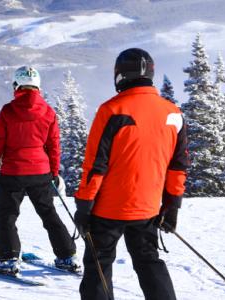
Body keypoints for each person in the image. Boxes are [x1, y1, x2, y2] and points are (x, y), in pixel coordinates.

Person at [73, 48, 189, 300]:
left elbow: (95, 166)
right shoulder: (172, 113)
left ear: (120, 75)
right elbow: (178, 166)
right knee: (149, 262)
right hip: (147, 208)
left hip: (107, 209)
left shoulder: (111, 110)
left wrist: (84, 206)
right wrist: (171, 206)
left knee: (99, 265)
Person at [0, 66, 79, 275]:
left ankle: (7, 259)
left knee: (8, 217)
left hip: (12, 172)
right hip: (40, 172)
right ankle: (66, 256)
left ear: (17, 85)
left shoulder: (8, 111)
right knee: (48, 214)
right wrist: (53, 172)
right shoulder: (48, 111)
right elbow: (54, 146)